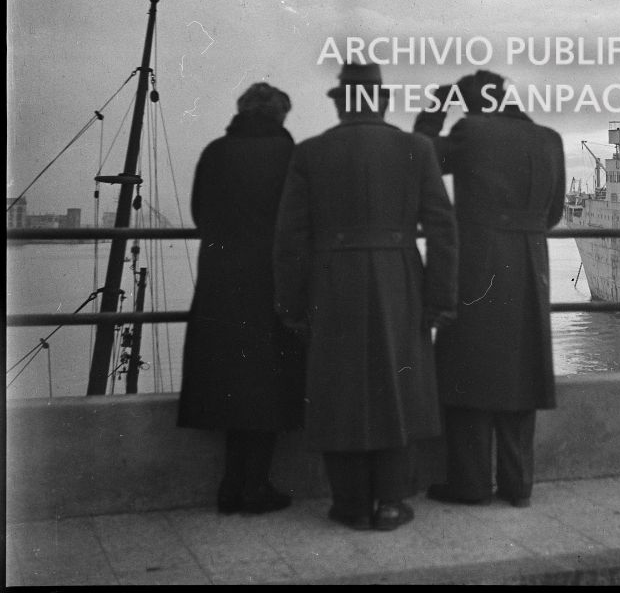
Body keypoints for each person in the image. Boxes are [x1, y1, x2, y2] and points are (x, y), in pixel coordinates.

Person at [274, 62, 458, 532]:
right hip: (399, 281)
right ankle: (392, 503)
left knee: (340, 390)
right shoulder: (415, 148)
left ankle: (351, 504)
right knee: (399, 387)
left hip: (332, 283)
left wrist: (292, 305)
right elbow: (442, 228)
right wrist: (439, 298)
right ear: (381, 101)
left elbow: (290, 240)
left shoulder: (310, 153)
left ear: (339, 103)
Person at [414, 70, 565, 508]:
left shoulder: (469, 131)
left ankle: (471, 484)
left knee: (468, 371)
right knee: (523, 372)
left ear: (469, 101)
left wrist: (436, 108)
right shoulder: (549, 138)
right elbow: (552, 214)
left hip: (478, 263)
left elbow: (420, 157)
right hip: (530, 262)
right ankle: (518, 485)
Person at [177, 82, 305, 515]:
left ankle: (231, 486)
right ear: (280, 115)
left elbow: (200, 214)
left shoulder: (215, 152)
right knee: (269, 386)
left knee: (231, 387)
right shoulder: (290, 156)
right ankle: (255, 487)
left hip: (220, 283)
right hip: (272, 282)